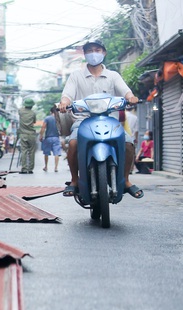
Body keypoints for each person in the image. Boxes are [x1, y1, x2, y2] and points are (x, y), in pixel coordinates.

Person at [58, 40, 143, 198]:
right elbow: (68, 95)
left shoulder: (113, 76)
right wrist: (64, 102)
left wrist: (131, 97)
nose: (94, 53)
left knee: (129, 143)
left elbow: (126, 92)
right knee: (73, 143)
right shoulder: (76, 76)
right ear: (85, 55)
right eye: (90, 50)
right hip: (83, 121)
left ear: (104, 53)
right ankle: (75, 180)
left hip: (110, 120)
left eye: (97, 50)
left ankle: (125, 180)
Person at [39, 106, 62, 172]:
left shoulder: (47, 118)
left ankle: (46, 166)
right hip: (56, 138)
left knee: (46, 153)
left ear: (50, 112)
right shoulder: (58, 119)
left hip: (48, 138)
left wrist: (41, 136)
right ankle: (56, 167)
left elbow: (43, 127)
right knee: (56, 153)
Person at [18, 97, 37, 174]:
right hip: (31, 134)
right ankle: (30, 169)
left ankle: (24, 168)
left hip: (23, 134)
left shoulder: (21, 111)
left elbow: (20, 109)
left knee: (24, 151)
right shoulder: (33, 113)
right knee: (31, 152)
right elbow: (34, 122)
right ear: (32, 106)